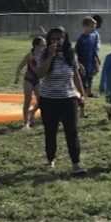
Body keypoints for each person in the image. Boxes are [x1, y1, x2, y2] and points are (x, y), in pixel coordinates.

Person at [36, 27, 87, 175]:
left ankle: (76, 163)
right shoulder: (43, 53)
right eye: (53, 39)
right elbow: (39, 74)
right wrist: (50, 56)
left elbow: (75, 74)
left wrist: (82, 94)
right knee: (50, 131)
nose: (56, 42)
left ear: (64, 39)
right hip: (48, 99)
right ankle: (50, 158)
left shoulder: (70, 54)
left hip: (68, 99)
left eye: (59, 38)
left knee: (72, 131)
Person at [14, 36, 46, 128]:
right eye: (42, 45)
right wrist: (17, 77)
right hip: (28, 79)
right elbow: (20, 67)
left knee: (41, 101)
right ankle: (25, 123)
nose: (44, 47)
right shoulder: (30, 55)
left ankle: (32, 113)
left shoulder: (44, 56)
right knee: (27, 101)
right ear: (36, 45)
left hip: (38, 80)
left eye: (45, 45)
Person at [75, 16, 101, 99]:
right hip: (83, 64)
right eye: (91, 27)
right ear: (85, 27)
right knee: (84, 82)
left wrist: (96, 62)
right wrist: (79, 65)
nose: (94, 29)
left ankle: (89, 93)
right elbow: (76, 54)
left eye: (94, 27)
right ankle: (83, 97)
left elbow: (94, 50)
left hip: (90, 63)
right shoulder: (81, 39)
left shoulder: (93, 36)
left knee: (90, 78)